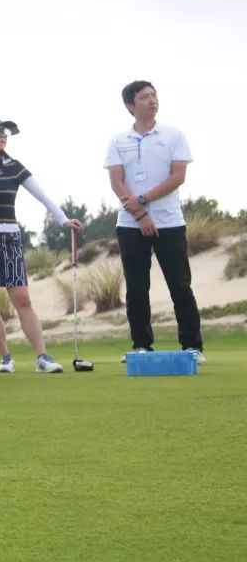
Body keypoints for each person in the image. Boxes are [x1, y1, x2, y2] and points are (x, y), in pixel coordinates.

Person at [0, 116, 83, 374]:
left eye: (5, 131)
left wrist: (63, 219)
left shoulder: (13, 166)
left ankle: (42, 357)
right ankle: (5, 358)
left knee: (22, 298)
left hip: (9, 238)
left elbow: (41, 195)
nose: (3, 135)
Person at [105, 81, 203, 362]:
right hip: (130, 225)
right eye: (144, 97)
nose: (152, 100)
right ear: (130, 106)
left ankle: (192, 347)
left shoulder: (174, 135)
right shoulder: (118, 140)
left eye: (153, 95)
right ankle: (141, 345)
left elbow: (178, 177)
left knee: (180, 285)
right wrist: (140, 214)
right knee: (137, 288)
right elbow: (117, 182)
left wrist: (143, 200)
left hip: (169, 222)